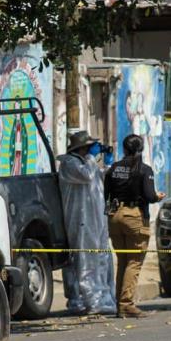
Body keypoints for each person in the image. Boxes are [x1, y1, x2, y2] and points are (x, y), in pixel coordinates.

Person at [104, 134, 165, 318]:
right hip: (134, 216)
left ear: (124, 149)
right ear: (141, 149)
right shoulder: (144, 170)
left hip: (115, 216)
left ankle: (120, 306)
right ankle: (127, 304)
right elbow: (149, 195)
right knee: (134, 262)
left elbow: (105, 192)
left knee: (123, 261)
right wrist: (157, 197)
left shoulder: (113, 168)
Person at [57, 131, 116, 315]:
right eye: (89, 147)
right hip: (81, 219)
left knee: (101, 258)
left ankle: (102, 297)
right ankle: (91, 300)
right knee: (86, 260)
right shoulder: (69, 164)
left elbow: (98, 177)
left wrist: (108, 164)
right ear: (82, 148)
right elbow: (87, 176)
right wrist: (92, 156)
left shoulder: (86, 163)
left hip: (97, 218)